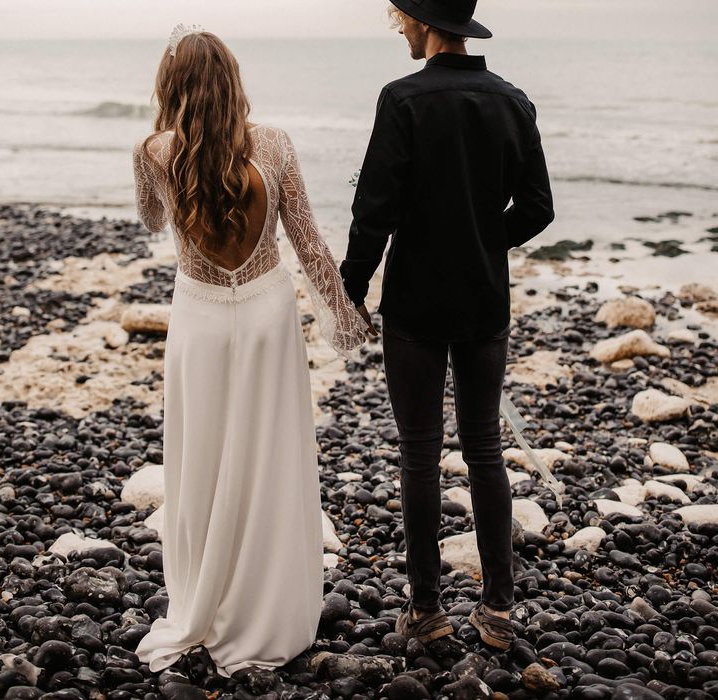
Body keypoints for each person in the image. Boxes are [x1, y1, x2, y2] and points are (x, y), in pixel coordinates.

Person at [132, 25, 371, 678]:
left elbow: (152, 221)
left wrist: (170, 152)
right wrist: (345, 319)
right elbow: (311, 244)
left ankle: (206, 597)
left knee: (204, 456)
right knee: (270, 455)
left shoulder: (152, 151)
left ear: (171, 87)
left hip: (201, 322)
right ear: (234, 82)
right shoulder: (275, 145)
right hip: (266, 316)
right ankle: (269, 607)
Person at [340, 0, 554, 650]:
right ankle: (497, 611)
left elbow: (374, 209)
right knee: (485, 448)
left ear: (426, 23)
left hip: (415, 302)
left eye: (400, 16)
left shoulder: (401, 100)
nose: (397, 26)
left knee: (420, 453)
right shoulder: (511, 99)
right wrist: (485, 242)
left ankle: (427, 611)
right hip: (484, 297)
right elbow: (539, 207)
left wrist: (349, 289)